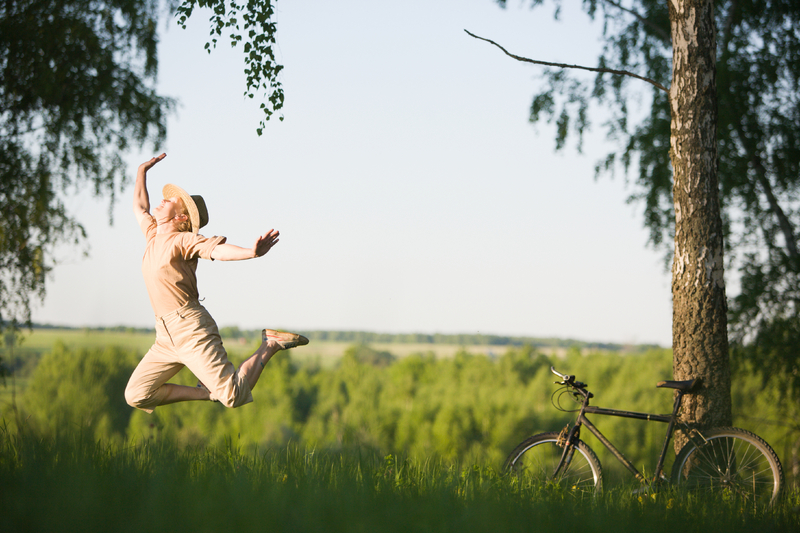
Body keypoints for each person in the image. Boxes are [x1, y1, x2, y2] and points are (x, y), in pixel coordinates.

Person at [124, 153, 308, 413]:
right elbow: (139, 207)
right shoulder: (153, 234)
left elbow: (218, 251)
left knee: (232, 396)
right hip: (165, 336)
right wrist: (142, 171)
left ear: (180, 218)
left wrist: (251, 252)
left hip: (190, 330)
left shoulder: (184, 241)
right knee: (137, 394)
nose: (163, 199)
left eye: (171, 201)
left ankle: (270, 344)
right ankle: (205, 394)